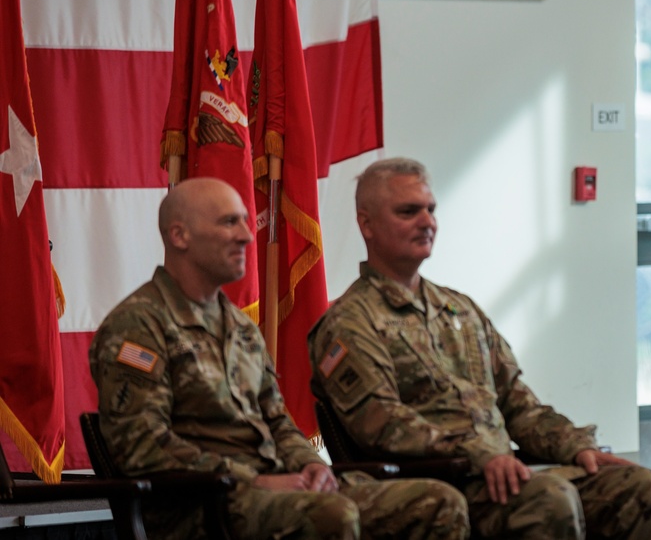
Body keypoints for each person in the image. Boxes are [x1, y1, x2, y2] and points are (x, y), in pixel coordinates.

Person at [308, 157, 651, 540]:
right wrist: (479, 453)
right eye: (408, 211)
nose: (427, 221)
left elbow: (517, 403)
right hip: (437, 484)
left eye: (431, 210)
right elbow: (384, 425)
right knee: (549, 497)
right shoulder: (350, 323)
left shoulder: (459, 309)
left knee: (641, 487)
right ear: (367, 224)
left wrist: (575, 446)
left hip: (500, 473)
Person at [89, 176, 470, 540]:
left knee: (437, 503)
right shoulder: (138, 325)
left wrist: (312, 468)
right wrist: (252, 479)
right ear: (179, 235)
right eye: (228, 223)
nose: (245, 235)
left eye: (243, 221)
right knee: (332, 515)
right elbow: (142, 445)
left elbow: (278, 421)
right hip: (202, 506)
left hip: (273, 488)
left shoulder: (240, 328)